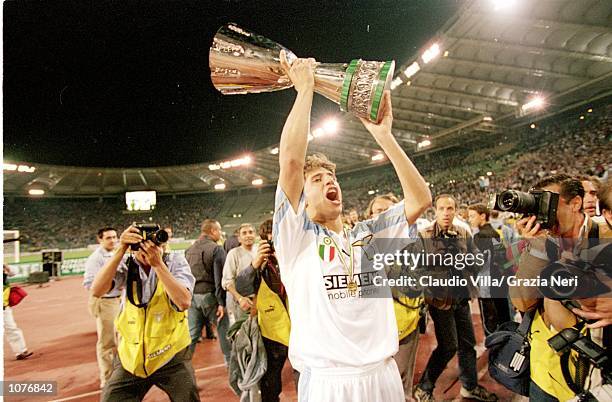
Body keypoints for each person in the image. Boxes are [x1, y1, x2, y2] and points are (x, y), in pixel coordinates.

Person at [274, 51, 431, 401]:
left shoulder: (367, 237)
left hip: (383, 375)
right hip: (331, 384)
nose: (330, 181)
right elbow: (291, 161)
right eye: (317, 179)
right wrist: (305, 90)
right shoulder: (295, 240)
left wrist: (384, 136)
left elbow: (420, 199)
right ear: (302, 197)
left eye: (331, 176)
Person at [512, 174, 611, 400]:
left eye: (549, 203)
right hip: (544, 371)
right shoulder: (539, 242)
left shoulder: (606, 235)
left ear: (576, 203)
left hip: (596, 375)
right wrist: (536, 249)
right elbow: (521, 302)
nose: (542, 214)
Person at [91, 225, 198, 402]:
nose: (147, 250)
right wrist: (121, 249)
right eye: (141, 246)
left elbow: (183, 301)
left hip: (170, 353)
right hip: (132, 355)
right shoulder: (126, 263)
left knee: (188, 398)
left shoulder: (174, 261)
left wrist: (158, 264)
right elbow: (97, 290)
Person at [413, 195, 497, 402]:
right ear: (435, 211)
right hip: (440, 299)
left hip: (461, 297)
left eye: (450, 208)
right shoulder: (424, 235)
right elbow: (416, 268)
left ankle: (469, 386)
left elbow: (477, 260)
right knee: (448, 345)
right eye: (441, 209)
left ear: (456, 210)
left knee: (467, 344)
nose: (446, 213)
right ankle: (424, 387)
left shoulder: (463, 232)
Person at [367, 194, 423, 402]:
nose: (383, 216)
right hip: (378, 327)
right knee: (383, 384)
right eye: (378, 212)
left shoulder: (413, 241)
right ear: (370, 217)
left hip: (409, 320)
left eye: (388, 211)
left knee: (403, 381)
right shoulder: (361, 246)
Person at [235, 219, 294, 402]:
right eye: (271, 240)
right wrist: (256, 263)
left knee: (307, 379)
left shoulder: (296, 257)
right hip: (272, 333)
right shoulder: (260, 263)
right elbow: (243, 287)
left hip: (301, 329)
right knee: (270, 385)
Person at [185, 219, 231, 365]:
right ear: (213, 231)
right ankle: (236, 379)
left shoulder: (189, 250)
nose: (220, 233)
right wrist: (221, 303)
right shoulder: (216, 249)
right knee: (225, 336)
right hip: (211, 297)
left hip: (193, 297)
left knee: (191, 337)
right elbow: (220, 279)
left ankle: (184, 374)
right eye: (219, 230)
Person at [83, 227, 120, 388]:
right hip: (105, 301)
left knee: (121, 338)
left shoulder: (116, 253)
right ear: (100, 240)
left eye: (114, 237)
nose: (112, 240)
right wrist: (110, 286)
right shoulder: (95, 259)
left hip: (119, 300)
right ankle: (108, 378)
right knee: (107, 341)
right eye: (108, 238)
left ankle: (119, 374)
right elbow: (89, 284)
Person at [467, 204, 512, 334]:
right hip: (500, 282)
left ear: (482, 216)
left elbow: (477, 263)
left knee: (490, 325)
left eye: (472, 216)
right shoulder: (495, 233)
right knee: (504, 319)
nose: (470, 219)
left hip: (487, 285)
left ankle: (494, 351)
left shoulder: (479, 237)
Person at [222, 223, 257, 324]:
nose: (248, 235)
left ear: (255, 235)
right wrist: (240, 299)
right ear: (239, 238)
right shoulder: (234, 253)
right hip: (244, 302)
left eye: (250, 232)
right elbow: (227, 281)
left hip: (260, 300)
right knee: (244, 335)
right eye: (244, 233)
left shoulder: (258, 251)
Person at [3, 264, 33, 360]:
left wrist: (5, 266)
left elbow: (14, 271)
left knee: (12, 329)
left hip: (4, 307)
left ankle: (20, 351)